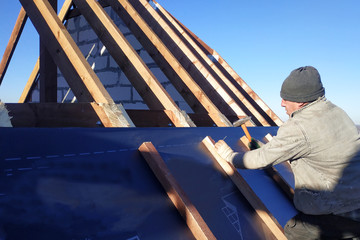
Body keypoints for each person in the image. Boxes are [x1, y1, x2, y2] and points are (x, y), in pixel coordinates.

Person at [215, 66, 360, 239]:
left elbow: (259, 160)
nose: (282, 103)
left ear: (300, 102)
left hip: (335, 208)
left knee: (295, 231)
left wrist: (229, 155)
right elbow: (314, 147)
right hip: (354, 198)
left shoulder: (298, 126)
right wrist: (272, 149)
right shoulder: (335, 111)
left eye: (286, 99)